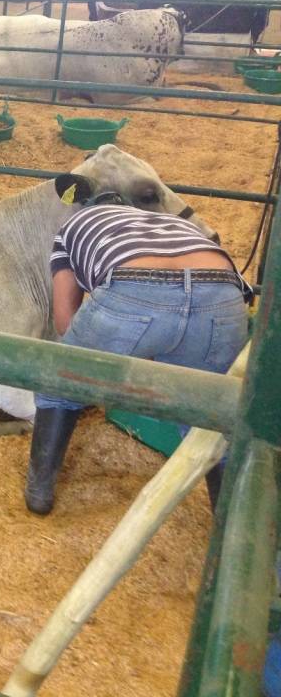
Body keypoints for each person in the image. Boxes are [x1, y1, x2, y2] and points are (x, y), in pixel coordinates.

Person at [23, 176, 250, 516]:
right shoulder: (169, 222)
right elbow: (241, 294)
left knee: (59, 384)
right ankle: (231, 529)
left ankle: (39, 494)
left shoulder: (71, 227)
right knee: (214, 419)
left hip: (136, 285)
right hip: (221, 291)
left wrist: (115, 344)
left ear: (85, 205)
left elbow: (64, 321)